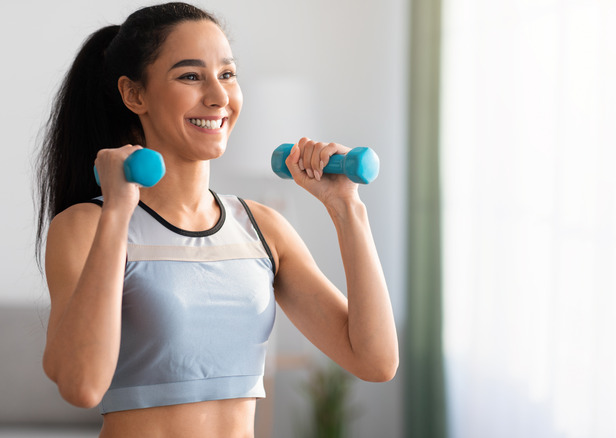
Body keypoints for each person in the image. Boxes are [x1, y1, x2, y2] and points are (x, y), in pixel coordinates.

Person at [35, 3, 398, 437]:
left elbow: (375, 361)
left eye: (227, 74)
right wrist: (118, 209)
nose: (218, 96)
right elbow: (82, 385)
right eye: (191, 76)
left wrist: (347, 208)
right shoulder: (88, 225)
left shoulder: (262, 227)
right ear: (135, 95)